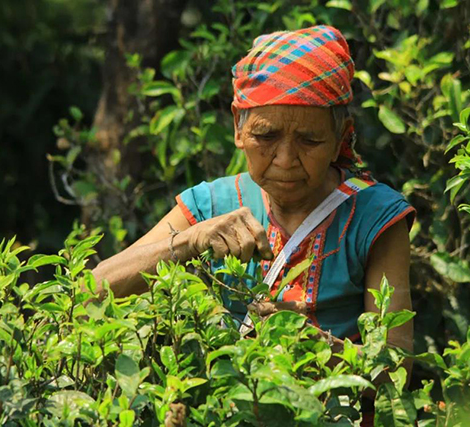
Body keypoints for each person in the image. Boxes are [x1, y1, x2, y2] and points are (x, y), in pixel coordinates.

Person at [92, 24, 414, 378]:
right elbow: (87, 294)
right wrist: (188, 242)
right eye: (266, 135)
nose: (286, 159)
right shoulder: (209, 205)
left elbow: (396, 367)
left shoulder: (375, 217)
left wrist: (312, 346)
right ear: (238, 128)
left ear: (340, 137)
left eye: (310, 140)